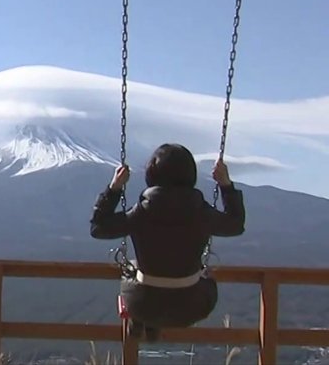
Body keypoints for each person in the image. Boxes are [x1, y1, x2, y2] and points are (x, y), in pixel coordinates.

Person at [89, 143, 245, 341]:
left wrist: (114, 188)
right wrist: (225, 184)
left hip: (141, 304)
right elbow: (235, 225)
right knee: (206, 275)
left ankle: (144, 322)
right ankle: (151, 321)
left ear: (151, 175)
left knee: (133, 268)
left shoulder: (141, 213)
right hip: (193, 308)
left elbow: (99, 228)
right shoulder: (202, 213)